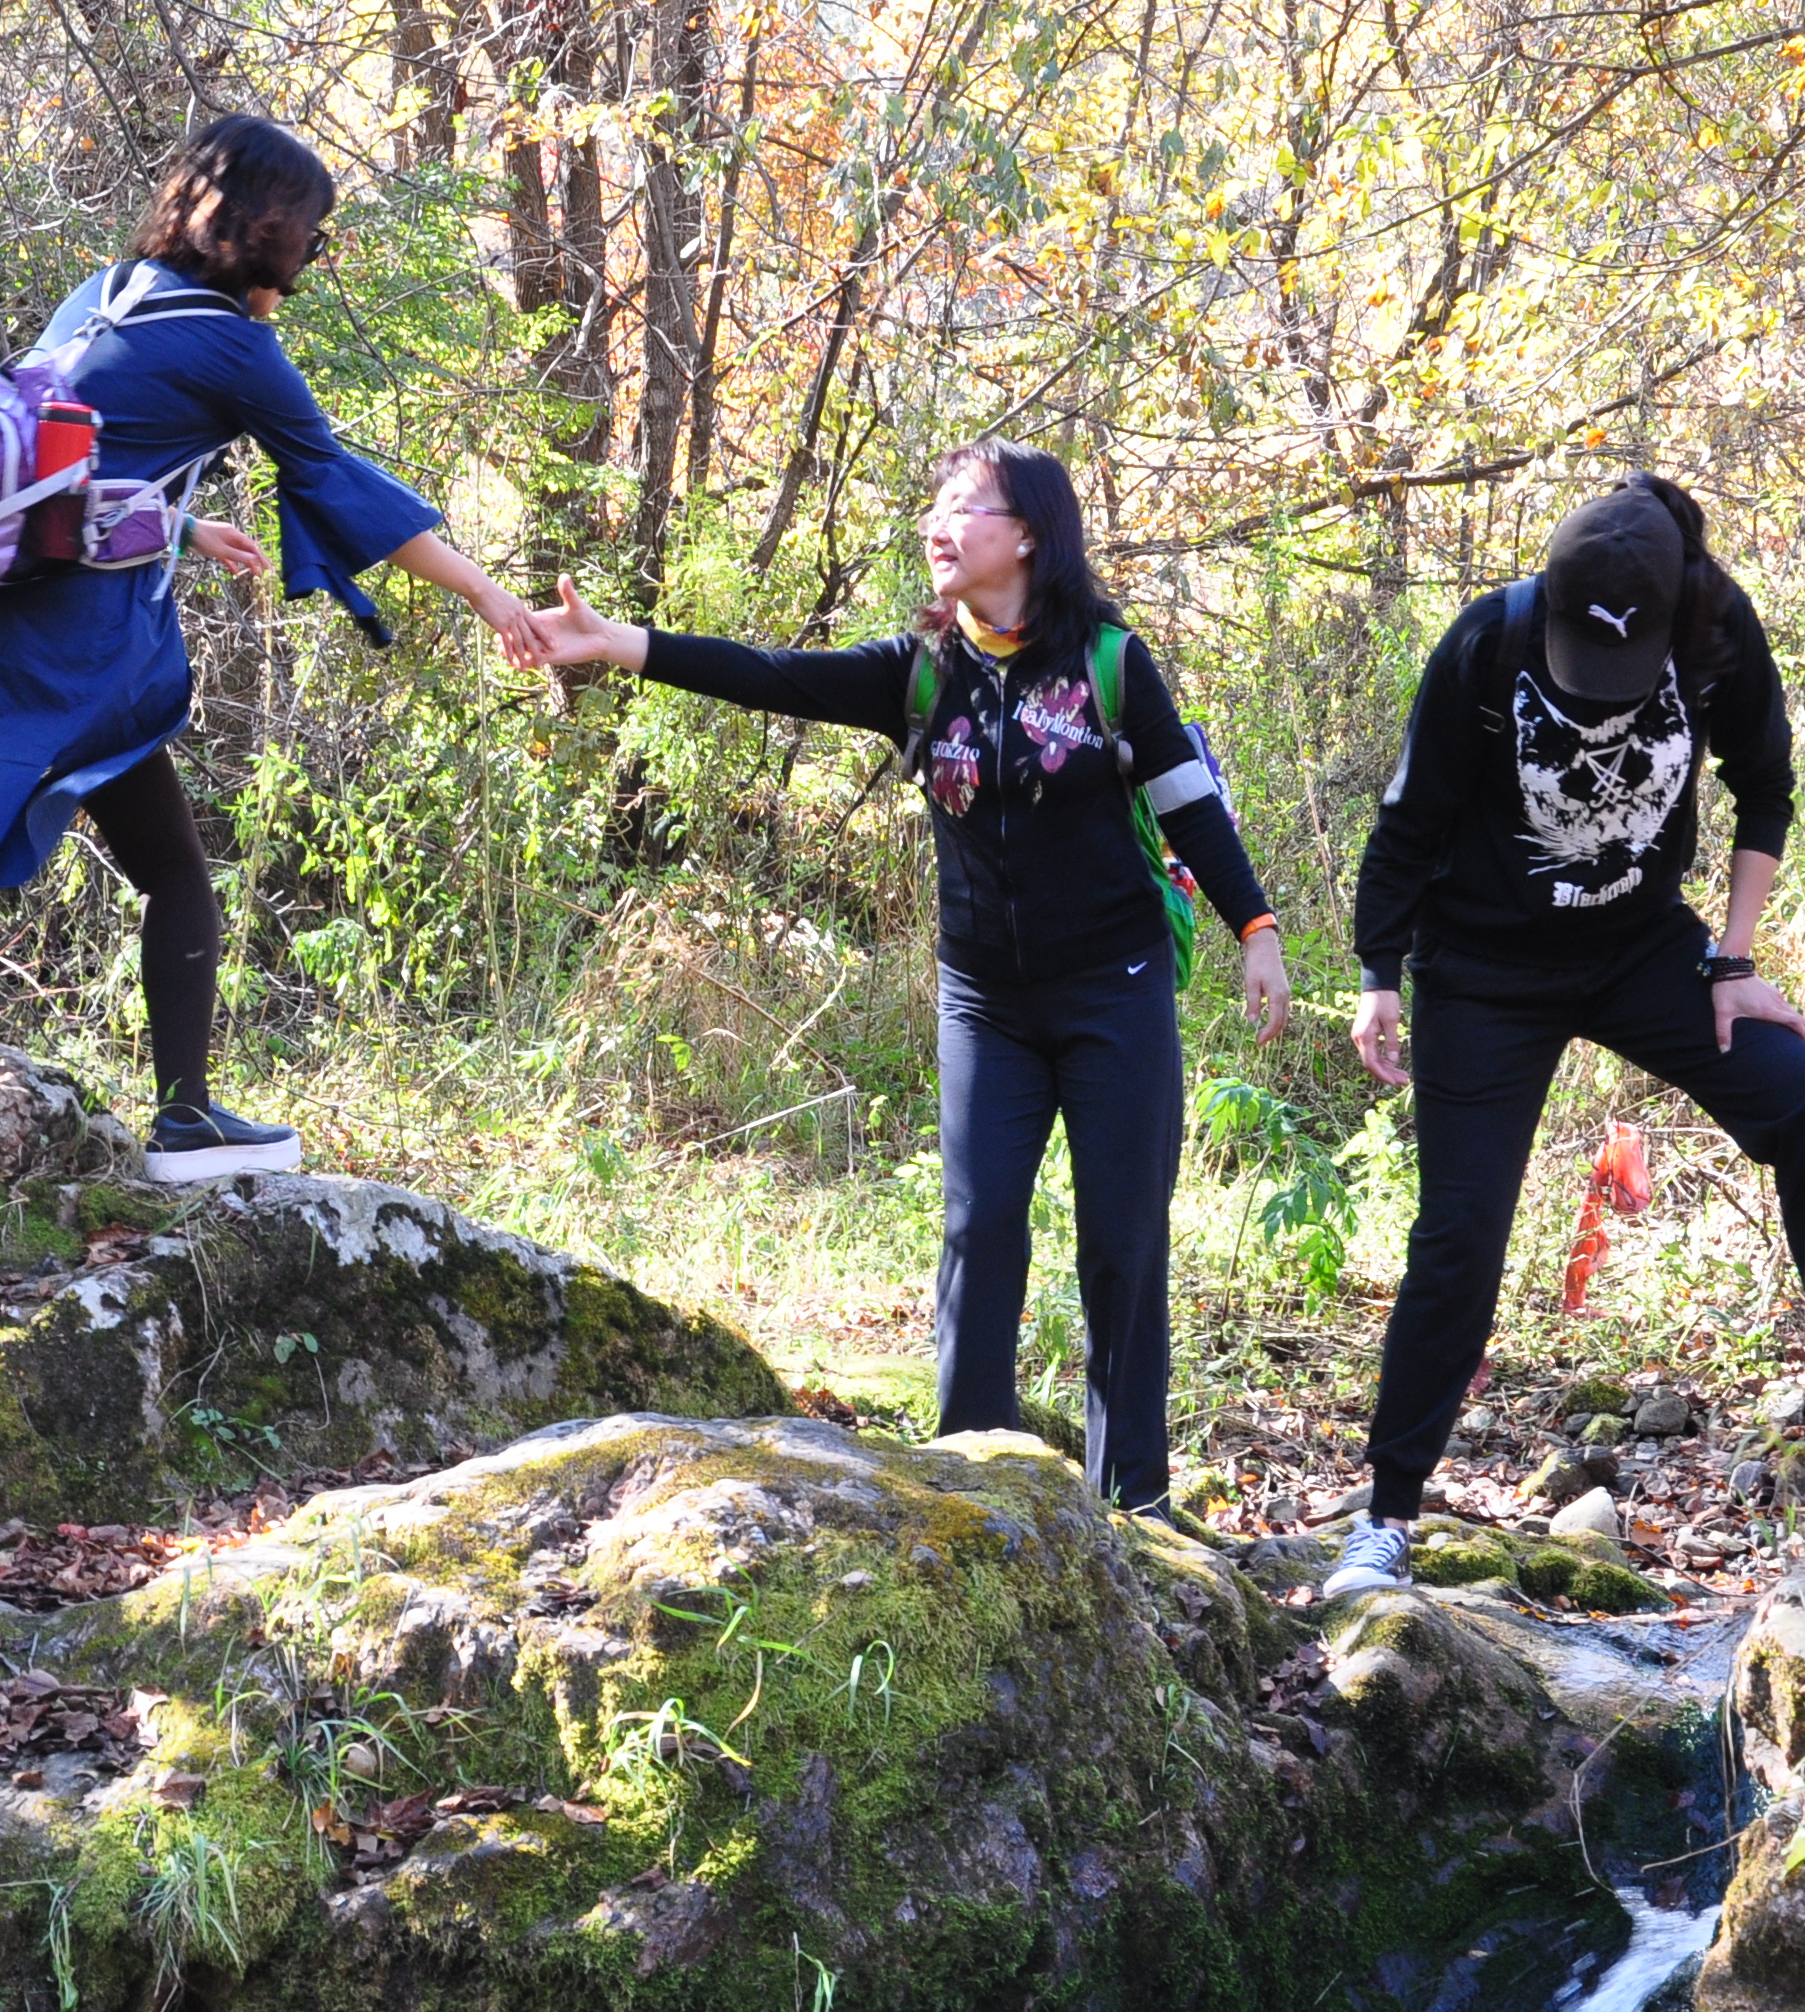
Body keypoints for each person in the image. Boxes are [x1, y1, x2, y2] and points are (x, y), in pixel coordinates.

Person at [0, 114, 546, 1184]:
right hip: (50, 654)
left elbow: (54, 462)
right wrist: (490, 597)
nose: (314, 257)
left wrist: (183, 525)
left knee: (36, 861)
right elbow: (336, 481)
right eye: (313, 235)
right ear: (268, 232)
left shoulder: (105, 292)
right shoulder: (236, 346)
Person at [528, 443, 1288, 1515]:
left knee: (1121, 1243)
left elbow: (1188, 802)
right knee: (979, 1229)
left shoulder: (1110, 664)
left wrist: (1255, 927)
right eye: (933, 505)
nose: (937, 524)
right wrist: (620, 645)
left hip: (1113, 988)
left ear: (1029, 534)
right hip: (985, 1001)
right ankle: (969, 1488)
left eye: (963, 507)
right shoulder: (920, 668)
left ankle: (1135, 1507)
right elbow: (769, 673)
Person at [1321, 475, 1805, 1600]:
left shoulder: (1717, 629)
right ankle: (1385, 1518)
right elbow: (1411, 814)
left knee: (1804, 1100)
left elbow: (1763, 788)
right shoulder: (1489, 640)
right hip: (1481, 970)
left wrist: (1733, 961)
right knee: (1460, 1235)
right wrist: (1378, 975)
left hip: (1641, 949)